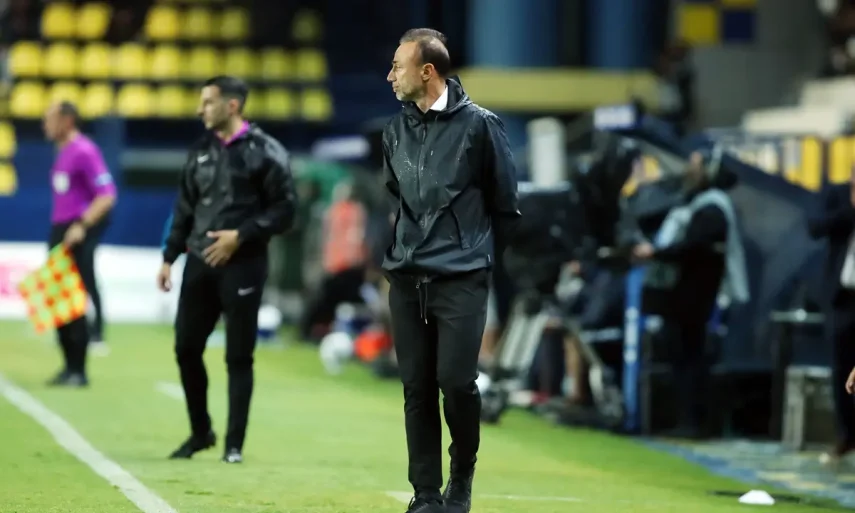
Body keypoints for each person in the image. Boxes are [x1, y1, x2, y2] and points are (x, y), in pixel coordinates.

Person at [382, 29, 520, 513]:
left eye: (397, 67)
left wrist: (476, 260)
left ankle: (461, 478)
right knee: (416, 389)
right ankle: (425, 494)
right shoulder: (393, 130)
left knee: (457, 383)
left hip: (461, 277)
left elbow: (506, 205)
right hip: (407, 278)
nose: (390, 76)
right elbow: (398, 198)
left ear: (427, 71)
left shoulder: (481, 126)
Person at [157, 76, 297, 464]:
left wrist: (242, 235)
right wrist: (169, 257)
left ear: (231, 105)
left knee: (238, 355)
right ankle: (200, 432)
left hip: (244, 265)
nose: (199, 109)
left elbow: (286, 211)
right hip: (199, 262)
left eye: (207, 102)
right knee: (186, 348)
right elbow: (185, 208)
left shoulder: (267, 152)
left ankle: (233, 445)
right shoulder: (200, 151)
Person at [631, 150, 748, 439]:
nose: (689, 171)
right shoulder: (695, 203)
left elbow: (693, 248)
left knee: (691, 359)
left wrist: (656, 253)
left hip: (696, 297)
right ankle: (688, 419)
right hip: (683, 297)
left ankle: (695, 422)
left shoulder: (713, 207)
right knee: (682, 358)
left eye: (696, 166)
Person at [43, 101, 117, 387]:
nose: (45, 125)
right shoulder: (61, 151)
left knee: (75, 299)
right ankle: (67, 365)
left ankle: (79, 369)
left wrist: (82, 225)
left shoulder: (85, 150)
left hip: (76, 231)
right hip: (59, 228)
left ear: (67, 120)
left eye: (50, 119)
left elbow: (107, 194)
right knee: (59, 299)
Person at [812, 174, 855, 463]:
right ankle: (846, 436)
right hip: (844, 296)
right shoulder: (837, 196)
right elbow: (814, 226)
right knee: (842, 368)